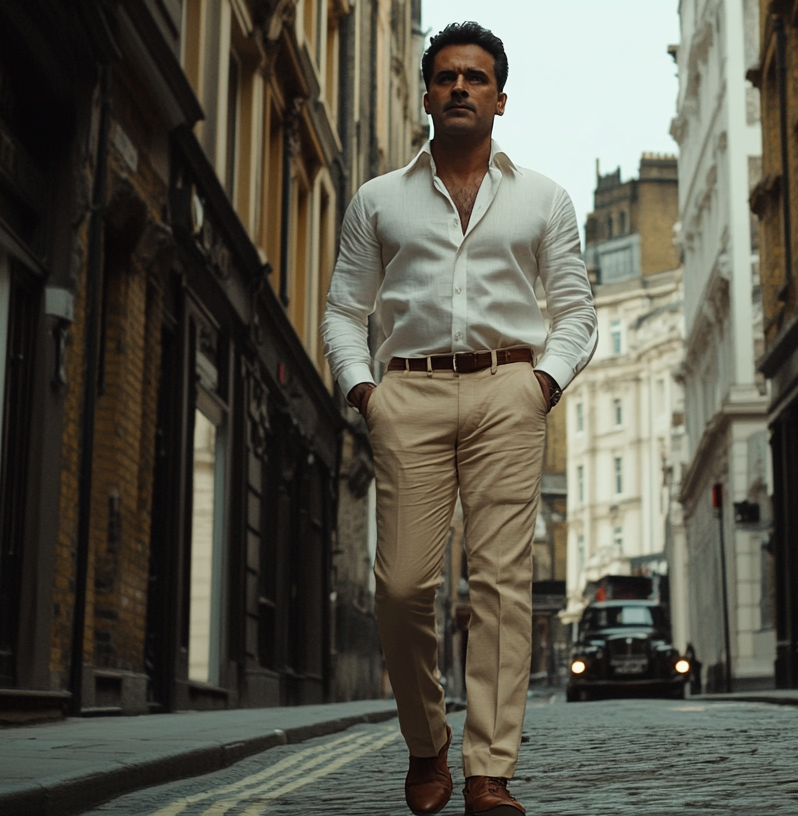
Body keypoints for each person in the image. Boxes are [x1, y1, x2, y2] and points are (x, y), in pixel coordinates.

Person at [321, 20, 597, 816]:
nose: (461, 88)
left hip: (508, 392)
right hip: (406, 393)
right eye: (447, 76)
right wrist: (363, 390)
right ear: (428, 94)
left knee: (503, 586)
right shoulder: (379, 199)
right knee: (403, 587)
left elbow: (576, 313)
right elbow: (345, 310)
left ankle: (488, 773)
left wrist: (541, 384)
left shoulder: (545, 199)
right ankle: (426, 742)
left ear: (501, 98)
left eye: (477, 78)